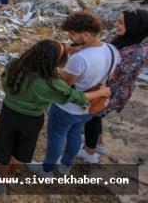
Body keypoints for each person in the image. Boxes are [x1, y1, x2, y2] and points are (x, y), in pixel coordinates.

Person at [0, 40, 111, 196]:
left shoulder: (15, 65)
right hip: (32, 120)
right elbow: (76, 97)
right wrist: (100, 93)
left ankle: (1, 180)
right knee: (22, 150)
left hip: (8, 114)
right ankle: (11, 176)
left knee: (4, 148)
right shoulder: (52, 84)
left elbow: (4, 78)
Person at [28, 12, 120, 178]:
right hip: (90, 106)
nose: (69, 37)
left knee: (56, 137)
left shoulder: (80, 59)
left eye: (72, 33)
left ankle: (47, 170)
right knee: (76, 133)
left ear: (86, 34)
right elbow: (110, 76)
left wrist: (62, 68)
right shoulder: (112, 50)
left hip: (68, 106)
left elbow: (64, 85)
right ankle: (65, 167)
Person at [82, 8, 148, 160]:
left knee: (92, 117)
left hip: (112, 92)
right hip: (104, 87)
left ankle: (89, 152)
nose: (116, 25)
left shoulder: (136, 53)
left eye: (121, 22)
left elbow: (115, 75)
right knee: (96, 116)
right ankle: (98, 144)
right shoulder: (121, 39)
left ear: (134, 27)